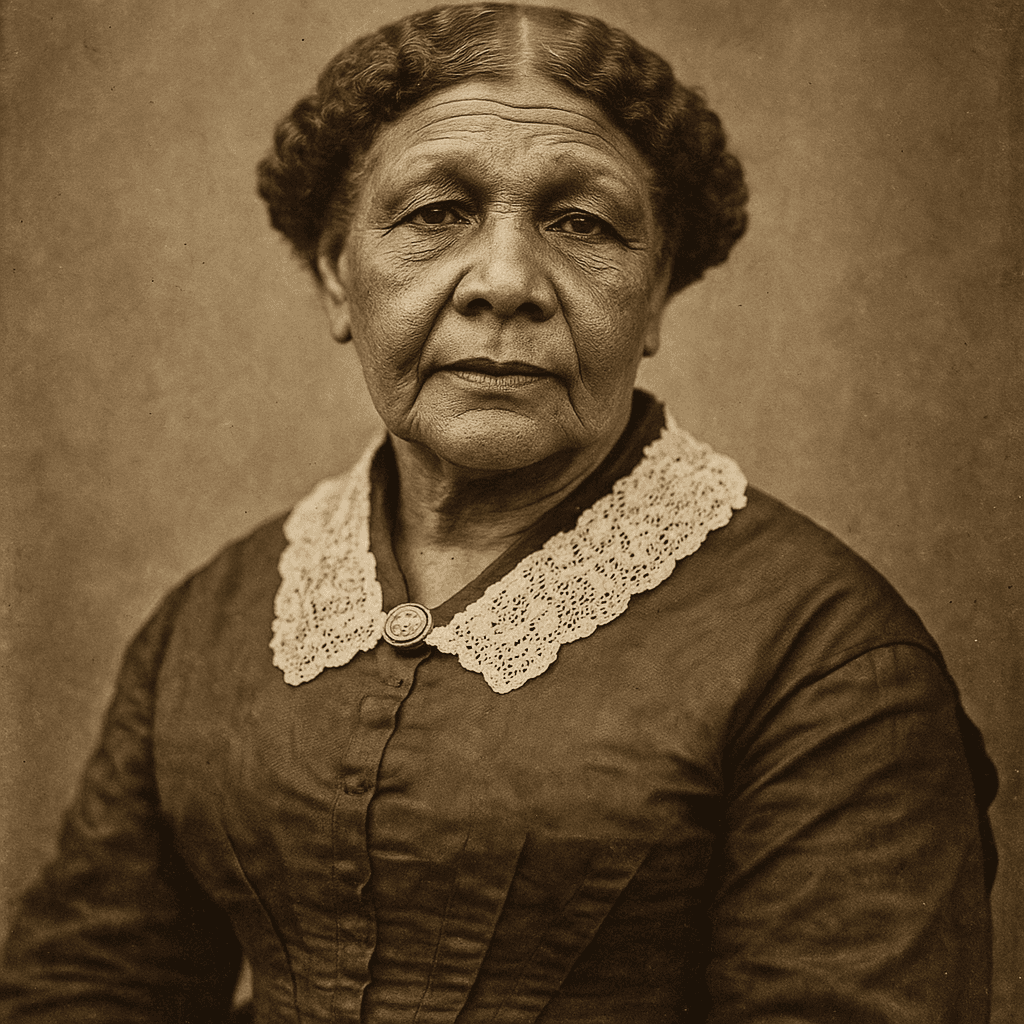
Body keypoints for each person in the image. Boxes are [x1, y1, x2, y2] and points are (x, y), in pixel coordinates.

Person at [0, 4, 997, 1022]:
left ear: (655, 296)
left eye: (582, 223)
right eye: (436, 213)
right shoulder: (211, 626)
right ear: (334, 275)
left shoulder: (825, 658)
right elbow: (88, 985)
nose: (507, 283)